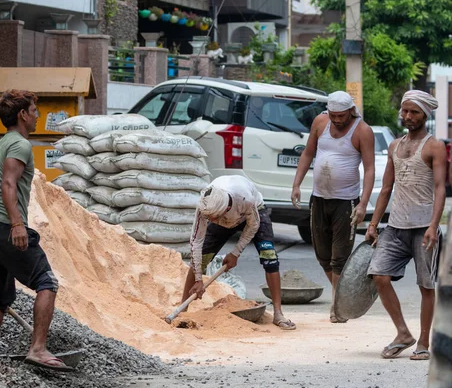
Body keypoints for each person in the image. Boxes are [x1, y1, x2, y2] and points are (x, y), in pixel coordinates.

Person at [0, 89, 70, 371]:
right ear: (22, 115)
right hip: (6, 226)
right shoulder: (19, 144)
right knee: (47, 281)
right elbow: (9, 183)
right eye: (34, 111)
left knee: (2, 295)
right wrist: (18, 224)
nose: (37, 116)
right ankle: (38, 349)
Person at [365, 90, 445, 360]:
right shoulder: (394, 146)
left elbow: (440, 188)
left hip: (424, 228)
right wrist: (374, 223)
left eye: (414, 112)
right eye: (405, 111)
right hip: (396, 226)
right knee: (379, 275)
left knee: (426, 286)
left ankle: (423, 341)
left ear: (425, 115)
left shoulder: (434, 146)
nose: (408, 116)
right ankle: (403, 333)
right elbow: (386, 187)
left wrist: (434, 226)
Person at [291, 91, 375, 323]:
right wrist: (296, 184)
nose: (337, 119)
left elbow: (369, 169)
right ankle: (344, 295)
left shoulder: (362, 131)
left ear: (350, 111)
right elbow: (308, 153)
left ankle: (337, 304)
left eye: (341, 115)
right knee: (322, 255)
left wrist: (363, 204)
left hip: (346, 201)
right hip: (319, 197)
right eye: (333, 115)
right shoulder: (320, 122)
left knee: (340, 257)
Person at [182, 175, 296, 330]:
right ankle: (182, 310)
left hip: (254, 214)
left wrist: (235, 253)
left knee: (269, 257)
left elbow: (253, 226)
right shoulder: (205, 205)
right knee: (200, 259)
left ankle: (278, 313)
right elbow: (196, 242)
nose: (212, 222)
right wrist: (198, 279)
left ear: (226, 209)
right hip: (227, 214)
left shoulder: (245, 199)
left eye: (214, 218)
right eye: (209, 219)